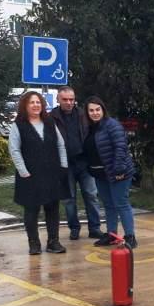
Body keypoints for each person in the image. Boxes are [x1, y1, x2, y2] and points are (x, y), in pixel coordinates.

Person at [8, 91, 69, 256]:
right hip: (30, 175)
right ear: (25, 106)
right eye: (32, 103)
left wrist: (63, 166)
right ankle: (34, 243)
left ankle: (53, 242)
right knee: (31, 210)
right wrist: (23, 171)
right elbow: (14, 150)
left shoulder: (49, 123)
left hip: (52, 174)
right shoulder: (18, 125)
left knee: (52, 209)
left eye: (38, 102)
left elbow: (61, 145)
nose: (36, 105)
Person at [50, 86, 104, 241]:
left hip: (84, 162)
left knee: (91, 195)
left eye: (71, 99)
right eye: (65, 99)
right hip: (65, 164)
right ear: (58, 99)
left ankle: (95, 228)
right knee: (69, 199)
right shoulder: (52, 117)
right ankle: (74, 228)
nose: (69, 102)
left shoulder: (83, 114)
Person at [84, 97, 138, 249]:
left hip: (117, 173)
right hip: (101, 174)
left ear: (103, 109)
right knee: (108, 205)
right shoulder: (90, 127)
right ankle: (112, 235)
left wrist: (119, 170)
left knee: (121, 203)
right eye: (91, 110)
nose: (95, 113)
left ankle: (130, 236)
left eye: (97, 109)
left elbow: (120, 148)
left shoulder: (112, 125)